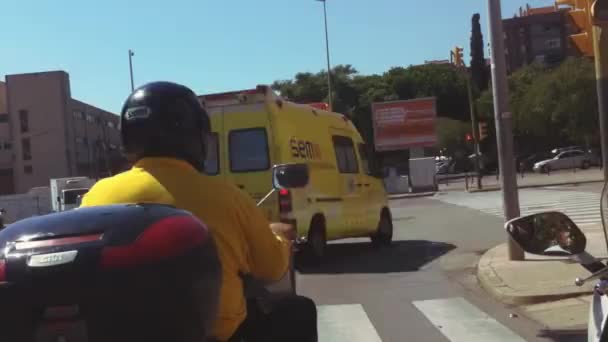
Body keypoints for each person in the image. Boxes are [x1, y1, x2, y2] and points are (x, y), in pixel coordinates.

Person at [79, 81, 317, 342]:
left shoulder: (96, 197)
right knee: (298, 311)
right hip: (214, 336)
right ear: (194, 136)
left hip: (123, 334)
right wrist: (281, 238)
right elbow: (271, 268)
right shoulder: (228, 197)